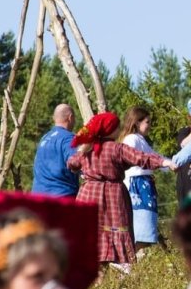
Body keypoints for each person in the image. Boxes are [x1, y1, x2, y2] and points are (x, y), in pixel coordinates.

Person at [68, 112, 174, 275]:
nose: (119, 129)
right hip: (113, 196)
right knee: (113, 233)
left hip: (88, 195)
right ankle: (116, 277)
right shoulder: (117, 148)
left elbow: (72, 163)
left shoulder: (86, 149)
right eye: (117, 127)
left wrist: (85, 167)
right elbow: (141, 158)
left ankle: (98, 284)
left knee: (94, 239)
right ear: (111, 130)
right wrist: (164, 162)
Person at [119, 107, 166, 254]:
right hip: (137, 187)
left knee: (146, 231)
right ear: (136, 122)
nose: (150, 125)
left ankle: (137, 264)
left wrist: (174, 163)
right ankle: (133, 264)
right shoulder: (131, 139)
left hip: (144, 185)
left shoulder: (141, 140)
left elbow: (156, 158)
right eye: (147, 122)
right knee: (141, 231)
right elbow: (129, 158)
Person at [32, 104, 79, 197]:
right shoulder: (69, 139)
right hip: (62, 196)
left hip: (38, 196)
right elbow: (77, 163)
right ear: (70, 117)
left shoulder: (44, 138)